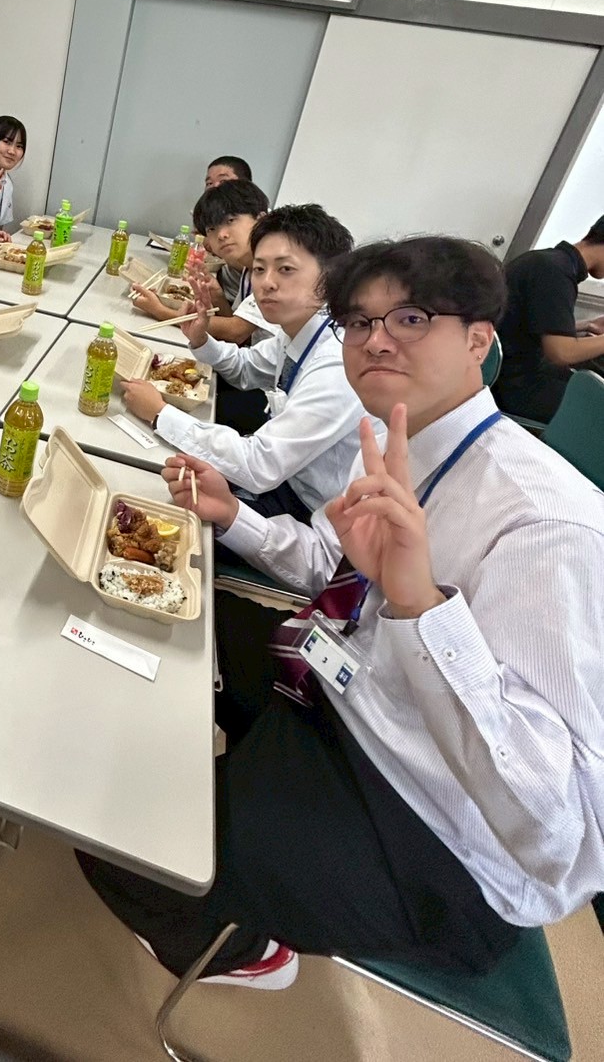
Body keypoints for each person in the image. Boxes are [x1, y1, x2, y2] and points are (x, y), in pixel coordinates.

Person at [80, 236, 604, 989]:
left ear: (478, 340)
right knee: (152, 643)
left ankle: (246, 951)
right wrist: (232, 516)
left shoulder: (547, 525)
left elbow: (555, 828)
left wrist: (421, 606)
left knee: (110, 831)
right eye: (359, 322)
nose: (376, 340)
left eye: (411, 318)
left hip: (434, 837)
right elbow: (328, 572)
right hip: (343, 684)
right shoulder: (388, 440)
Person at [122, 204, 361, 521]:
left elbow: (260, 465)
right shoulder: (299, 330)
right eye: (260, 269)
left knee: (153, 504)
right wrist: (201, 339)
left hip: (308, 512)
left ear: (330, 279)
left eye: (285, 269)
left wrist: (160, 413)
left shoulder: (337, 365)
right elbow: (246, 367)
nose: (267, 283)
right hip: (281, 481)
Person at [494, 218, 604, 423]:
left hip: (508, 373)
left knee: (582, 384)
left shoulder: (546, 261)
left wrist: (588, 325)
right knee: (596, 407)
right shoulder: (556, 273)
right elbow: (562, 353)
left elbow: (530, 325)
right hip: (516, 386)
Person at [130, 179, 270, 332]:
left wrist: (159, 310)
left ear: (261, 219)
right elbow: (240, 330)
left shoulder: (272, 271)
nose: (221, 235)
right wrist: (217, 296)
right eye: (211, 229)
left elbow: (236, 332)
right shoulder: (249, 268)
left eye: (230, 220)